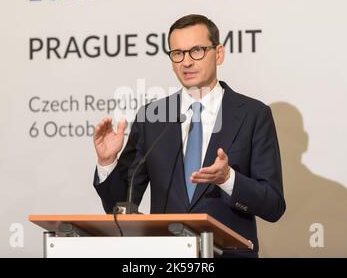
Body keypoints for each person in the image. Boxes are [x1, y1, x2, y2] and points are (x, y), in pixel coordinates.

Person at [93, 14, 285, 257]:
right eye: (178, 53)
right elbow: (119, 204)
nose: (186, 62)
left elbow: (273, 206)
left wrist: (228, 178)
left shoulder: (253, 115)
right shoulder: (153, 116)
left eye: (197, 51)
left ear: (219, 53)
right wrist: (108, 162)